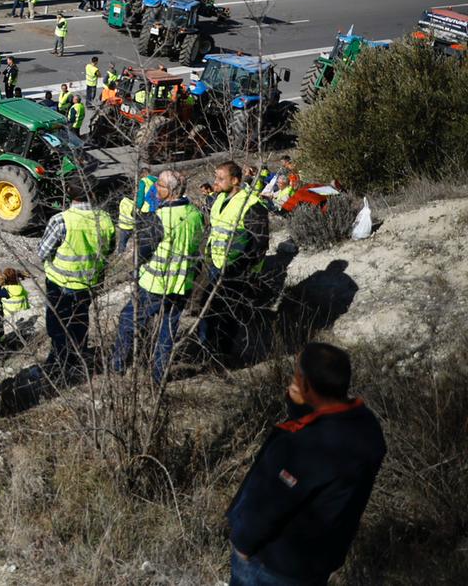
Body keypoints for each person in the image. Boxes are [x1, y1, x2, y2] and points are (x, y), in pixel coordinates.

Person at [227, 343, 387, 586]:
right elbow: (317, 424)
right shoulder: (366, 426)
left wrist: (242, 544)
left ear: (306, 384)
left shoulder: (306, 447)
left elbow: (269, 505)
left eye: (296, 374)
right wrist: (301, 406)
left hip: (273, 566)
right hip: (318, 561)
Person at [113, 169, 205, 382]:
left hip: (155, 284)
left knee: (128, 320)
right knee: (168, 330)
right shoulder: (195, 214)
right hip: (182, 283)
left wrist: (135, 268)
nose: (155, 189)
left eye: (159, 186)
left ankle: (118, 365)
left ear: (170, 190)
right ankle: (158, 375)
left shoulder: (159, 218)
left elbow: (142, 254)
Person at [40, 177, 116, 380]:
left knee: (57, 325)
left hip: (60, 283)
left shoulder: (60, 220)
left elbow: (43, 251)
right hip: (88, 283)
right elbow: (109, 249)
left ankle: (58, 364)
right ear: (92, 194)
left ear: (69, 194)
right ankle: (77, 357)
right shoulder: (105, 219)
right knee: (80, 321)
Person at [200, 161, 271, 365]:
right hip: (216, 266)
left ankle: (222, 357)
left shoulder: (251, 205)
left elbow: (259, 243)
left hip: (237, 271)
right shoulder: (219, 199)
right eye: (216, 177)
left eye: (221, 178)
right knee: (210, 310)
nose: (216, 182)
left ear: (235, 180)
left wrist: (243, 270)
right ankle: (207, 351)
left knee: (227, 316)